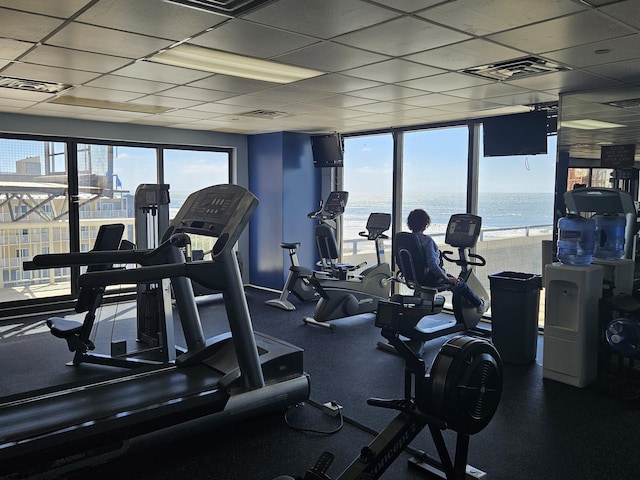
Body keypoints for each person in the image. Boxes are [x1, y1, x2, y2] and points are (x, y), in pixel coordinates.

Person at [407, 209, 489, 315]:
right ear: (425, 224)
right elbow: (432, 265)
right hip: (431, 277)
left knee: (453, 281)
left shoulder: (407, 239)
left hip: (414, 277)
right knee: (459, 283)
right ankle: (479, 305)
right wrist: (446, 278)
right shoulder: (427, 241)